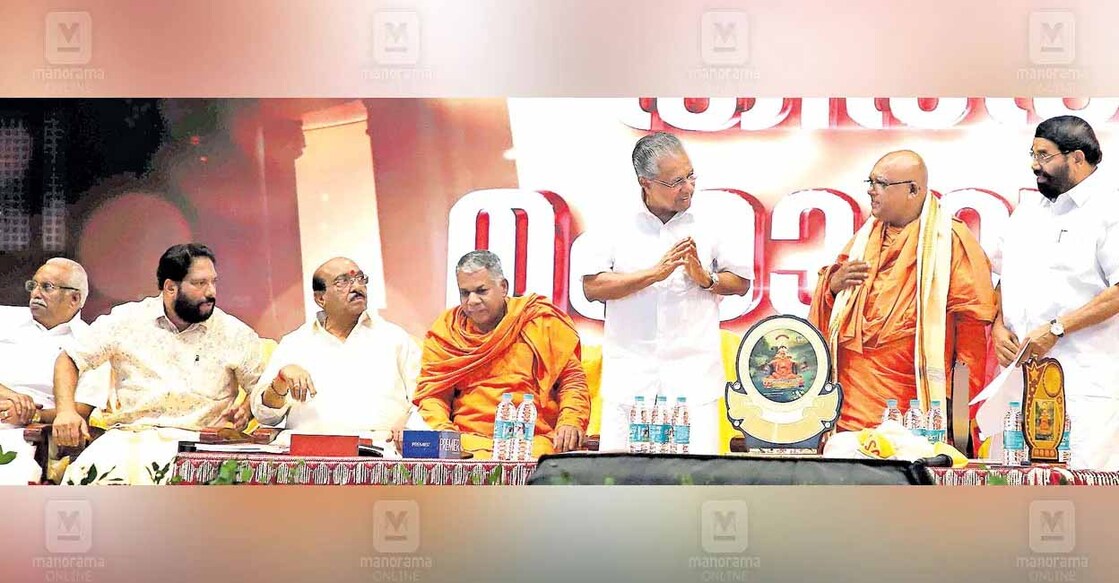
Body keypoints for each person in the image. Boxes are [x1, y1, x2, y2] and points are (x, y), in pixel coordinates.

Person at [581, 132, 753, 454]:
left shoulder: (715, 219)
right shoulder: (612, 221)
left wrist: (706, 278)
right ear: (646, 183)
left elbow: (741, 282)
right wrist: (652, 275)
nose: (687, 188)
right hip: (631, 377)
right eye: (675, 182)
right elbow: (593, 287)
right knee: (621, 482)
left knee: (693, 486)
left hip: (693, 379)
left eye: (690, 177)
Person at [808, 150, 996, 432]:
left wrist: (956, 411)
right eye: (870, 182)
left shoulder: (951, 241)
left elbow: (971, 334)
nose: (872, 191)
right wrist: (833, 285)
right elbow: (829, 305)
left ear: (913, 189)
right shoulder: (864, 239)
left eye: (881, 184)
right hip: (852, 397)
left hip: (916, 398)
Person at [51, 243, 267, 484]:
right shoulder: (126, 321)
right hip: (129, 438)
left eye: (214, 282)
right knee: (91, 487)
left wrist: (247, 407)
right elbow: (68, 359)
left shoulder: (234, 333)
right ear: (170, 287)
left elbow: (264, 388)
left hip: (200, 443)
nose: (211, 292)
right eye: (200, 283)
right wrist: (66, 411)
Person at [991, 115, 1119, 470]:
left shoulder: (1111, 209)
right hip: (1020, 379)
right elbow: (1004, 278)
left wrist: (1057, 328)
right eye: (1032, 154)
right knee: (1010, 484)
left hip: (1082, 380)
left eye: (1044, 155)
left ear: (1076, 158)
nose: (1035, 165)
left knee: (1082, 487)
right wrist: (998, 327)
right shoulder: (1028, 213)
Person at [413, 250, 590, 458]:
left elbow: (572, 380)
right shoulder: (447, 331)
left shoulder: (537, 319)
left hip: (533, 440)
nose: (472, 301)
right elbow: (433, 395)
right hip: (469, 441)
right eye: (465, 293)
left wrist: (570, 421)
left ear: (503, 287)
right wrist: (445, 435)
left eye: (481, 291)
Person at [251, 257, 424, 451]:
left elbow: (425, 399)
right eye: (343, 281)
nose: (357, 286)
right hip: (305, 456)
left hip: (378, 453)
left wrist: (409, 425)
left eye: (360, 278)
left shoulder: (395, 339)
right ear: (320, 298)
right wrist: (280, 381)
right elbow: (265, 416)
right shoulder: (294, 343)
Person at [0, 258, 108, 483]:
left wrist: (31, 414)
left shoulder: (90, 343)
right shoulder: (5, 318)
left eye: (47, 287)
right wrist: (9, 395)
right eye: (34, 285)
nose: (35, 293)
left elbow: (81, 410)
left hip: (23, 433)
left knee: (14, 474)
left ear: (75, 298)